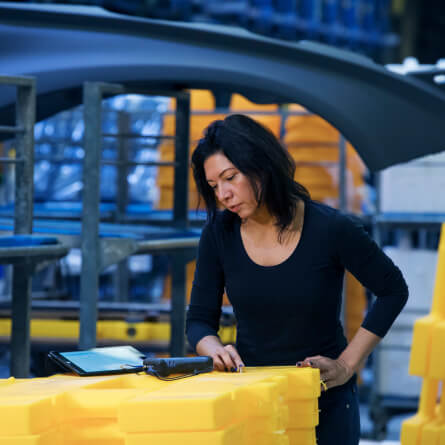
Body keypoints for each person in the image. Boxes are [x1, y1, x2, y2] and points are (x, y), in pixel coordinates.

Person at [185, 114, 408, 445]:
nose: (224, 195)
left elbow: (392, 290)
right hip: (254, 398)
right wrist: (214, 348)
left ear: (261, 165)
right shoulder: (219, 234)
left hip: (324, 401)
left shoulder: (330, 228)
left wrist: (347, 364)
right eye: (214, 186)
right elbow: (199, 320)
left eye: (230, 178)